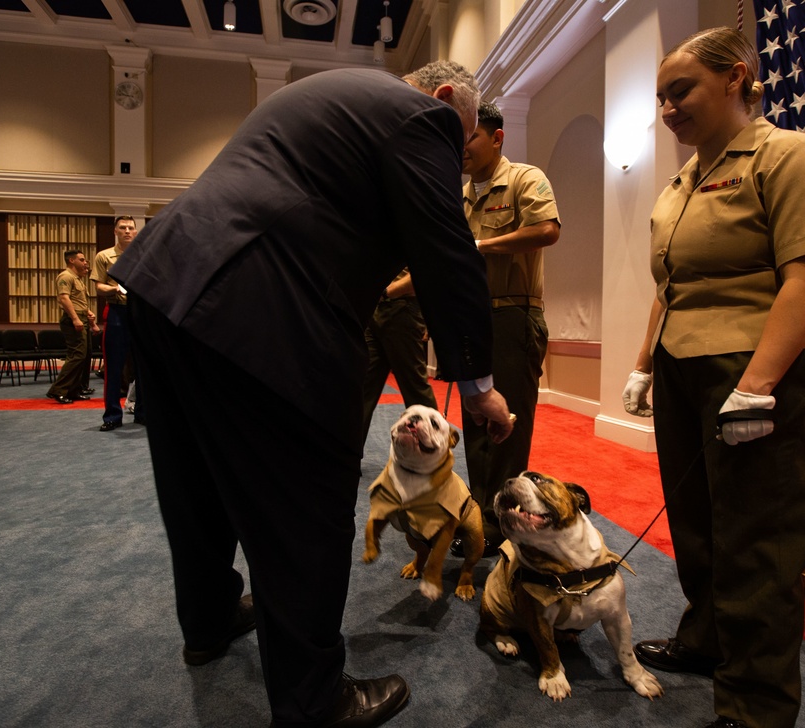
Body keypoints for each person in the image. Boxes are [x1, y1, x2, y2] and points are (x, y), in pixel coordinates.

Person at [110, 61, 515, 728]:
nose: (462, 153)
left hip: (167, 277)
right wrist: (478, 387)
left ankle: (209, 620)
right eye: (466, 136)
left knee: (192, 477)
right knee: (305, 501)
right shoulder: (424, 115)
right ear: (447, 100)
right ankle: (313, 701)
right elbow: (448, 253)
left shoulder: (334, 90)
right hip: (261, 302)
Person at [620, 27, 805, 728]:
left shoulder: (790, 155)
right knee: (698, 529)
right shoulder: (683, 180)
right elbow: (673, 285)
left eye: (680, 90)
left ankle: (755, 708)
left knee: (756, 542)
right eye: (661, 98)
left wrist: (757, 384)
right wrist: (641, 364)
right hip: (684, 365)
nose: (667, 108)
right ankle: (707, 640)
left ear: (735, 78)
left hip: (756, 368)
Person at [455, 101, 560, 553]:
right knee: (477, 419)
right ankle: (480, 514)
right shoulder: (460, 196)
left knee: (508, 422)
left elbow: (547, 229)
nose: (461, 148)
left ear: (497, 138)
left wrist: (481, 245)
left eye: (470, 137)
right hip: (473, 317)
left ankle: (504, 522)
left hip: (514, 315)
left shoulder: (523, 178)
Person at [360, 268, 438, 438]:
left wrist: (387, 291)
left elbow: (426, 269)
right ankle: (346, 456)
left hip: (402, 308)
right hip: (375, 308)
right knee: (362, 387)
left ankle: (437, 456)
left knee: (415, 389)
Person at [91, 215, 143, 431]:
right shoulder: (104, 256)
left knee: (143, 368)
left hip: (140, 314)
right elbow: (98, 287)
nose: (127, 231)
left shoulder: (142, 255)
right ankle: (112, 415)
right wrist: (114, 288)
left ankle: (143, 412)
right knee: (113, 367)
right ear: (115, 231)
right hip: (116, 312)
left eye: (131, 227)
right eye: (123, 227)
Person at [46, 250, 99, 405]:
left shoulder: (78, 279)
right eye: (82, 260)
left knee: (85, 355)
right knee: (77, 355)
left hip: (81, 317)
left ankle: (74, 390)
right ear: (71, 260)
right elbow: (64, 298)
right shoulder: (66, 276)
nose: (85, 263)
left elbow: (79, 302)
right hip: (73, 319)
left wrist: (89, 316)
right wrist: (76, 319)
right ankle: (59, 390)